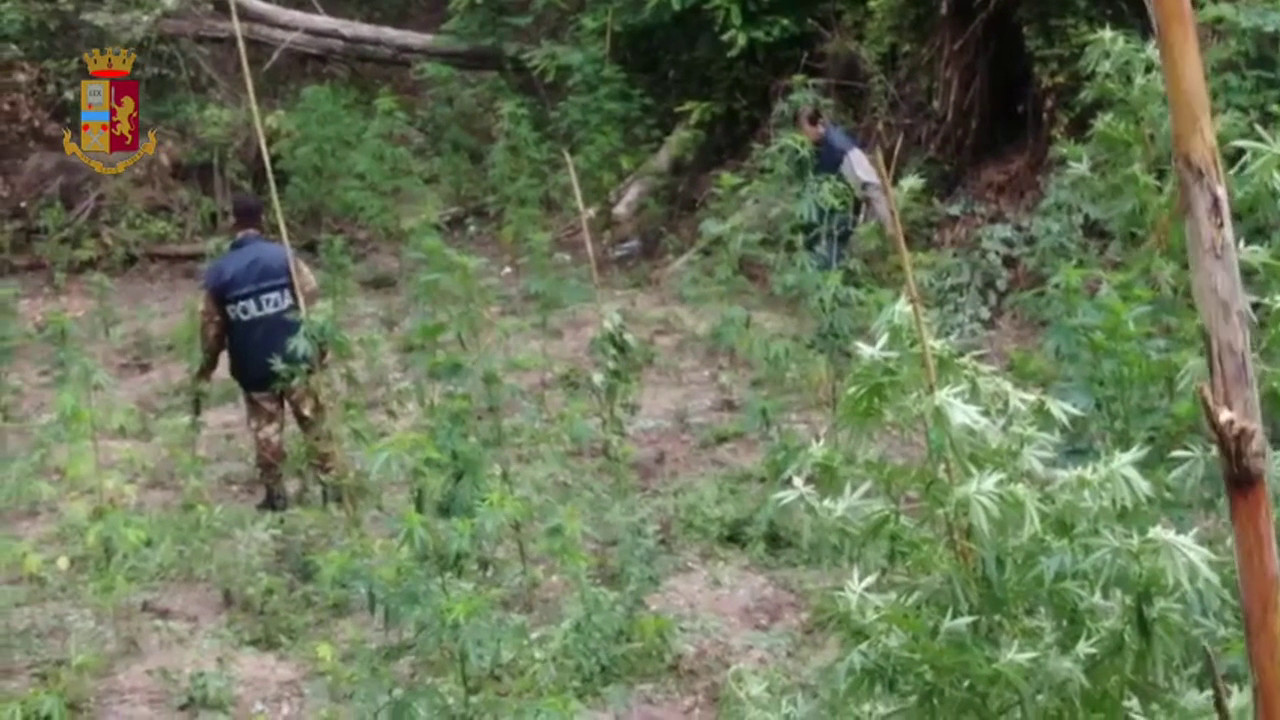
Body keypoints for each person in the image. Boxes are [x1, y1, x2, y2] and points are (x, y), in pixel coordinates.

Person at [192, 193, 338, 512]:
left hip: (254, 366)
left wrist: (206, 369)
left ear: (233, 223)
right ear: (262, 220)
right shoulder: (284, 257)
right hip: (297, 359)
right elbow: (312, 301)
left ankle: (275, 493)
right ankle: (333, 485)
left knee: (266, 432)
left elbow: (211, 330)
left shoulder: (219, 273)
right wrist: (321, 349)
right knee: (313, 422)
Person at [795, 106, 892, 270]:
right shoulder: (823, 142)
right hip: (841, 199)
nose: (802, 135)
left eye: (804, 129)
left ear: (817, 125)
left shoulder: (837, 146)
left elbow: (866, 181)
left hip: (856, 197)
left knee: (848, 241)